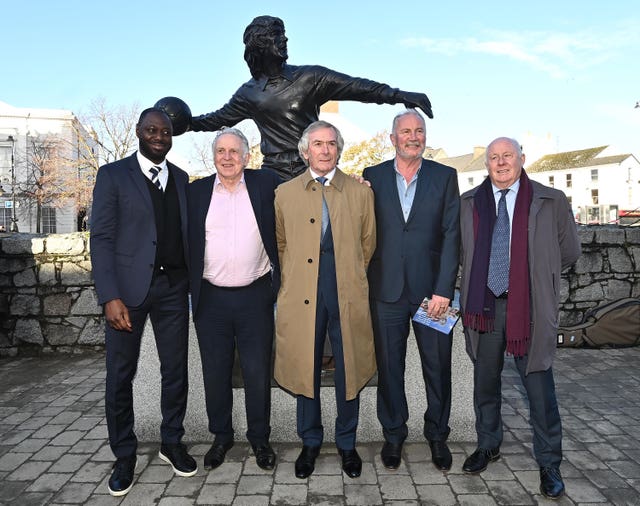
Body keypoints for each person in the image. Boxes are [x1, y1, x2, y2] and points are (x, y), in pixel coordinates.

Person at [459, 137, 581, 499]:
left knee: (539, 387)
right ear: (486, 165)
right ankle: (488, 445)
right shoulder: (468, 204)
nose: (501, 162)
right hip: (485, 307)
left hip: (529, 306)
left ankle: (548, 462)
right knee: (486, 381)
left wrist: (534, 278)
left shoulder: (550, 200)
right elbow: (460, 250)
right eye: (494, 157)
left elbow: (569, 250)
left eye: (507, 156)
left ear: (522, 159)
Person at [90, 108, 196, 497]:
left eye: (164, 131)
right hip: (127, 293)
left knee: (176, 371)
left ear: (171, 136)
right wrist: (109, 296)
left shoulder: (182, 179)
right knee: (120, 376)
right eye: (151, 129)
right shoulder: (113, 175)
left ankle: (172, 442)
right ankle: (124, 455)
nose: (158, 136)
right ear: (138, 131)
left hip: (172, 289)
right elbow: (100, 238)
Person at [190, 15, 433, 181]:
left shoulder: (310, 77)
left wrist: (400, 95)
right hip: (273, 175)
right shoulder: (249, 93)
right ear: (262, 45)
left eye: (283, 34)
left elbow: (357, 88)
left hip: (313, 169)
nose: (284, 40)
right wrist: (180, 123)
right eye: (276, 36)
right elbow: (216, 119)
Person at [274, 120, 376, 479]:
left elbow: (368, 244)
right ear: (306, 151)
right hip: (303, 288)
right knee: (306, 362)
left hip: (345, 286)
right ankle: (310, 441)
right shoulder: (284, 193)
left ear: (339, 149)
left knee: (350, 363)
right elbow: (282, 245)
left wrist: (347, 272)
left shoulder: (362, 192)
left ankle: (347, 443)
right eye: (317, 143)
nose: (325, 149)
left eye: (331, 143)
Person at [362, 109, 460, 472]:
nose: (413, 136)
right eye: (405, 131)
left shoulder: (445, 176)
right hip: (385, 292)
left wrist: (443, 290)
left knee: (438, 367)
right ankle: (393, 435)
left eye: (419, 131)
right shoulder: (371, 178)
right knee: (389, 369)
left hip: (432, 296)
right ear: (393, 139)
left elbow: (453, 235)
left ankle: (437, 435)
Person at [187, 128, 281, 471]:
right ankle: (221, 436)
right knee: (215, 372)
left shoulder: (265, 184)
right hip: (210, 298)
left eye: (234, 152)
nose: (227, 157)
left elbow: (307, 191)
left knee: (257, 372)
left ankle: (260, 438)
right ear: (213, 156)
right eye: (221, 151)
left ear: (247, 156)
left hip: (255, 295)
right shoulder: (195, 192)